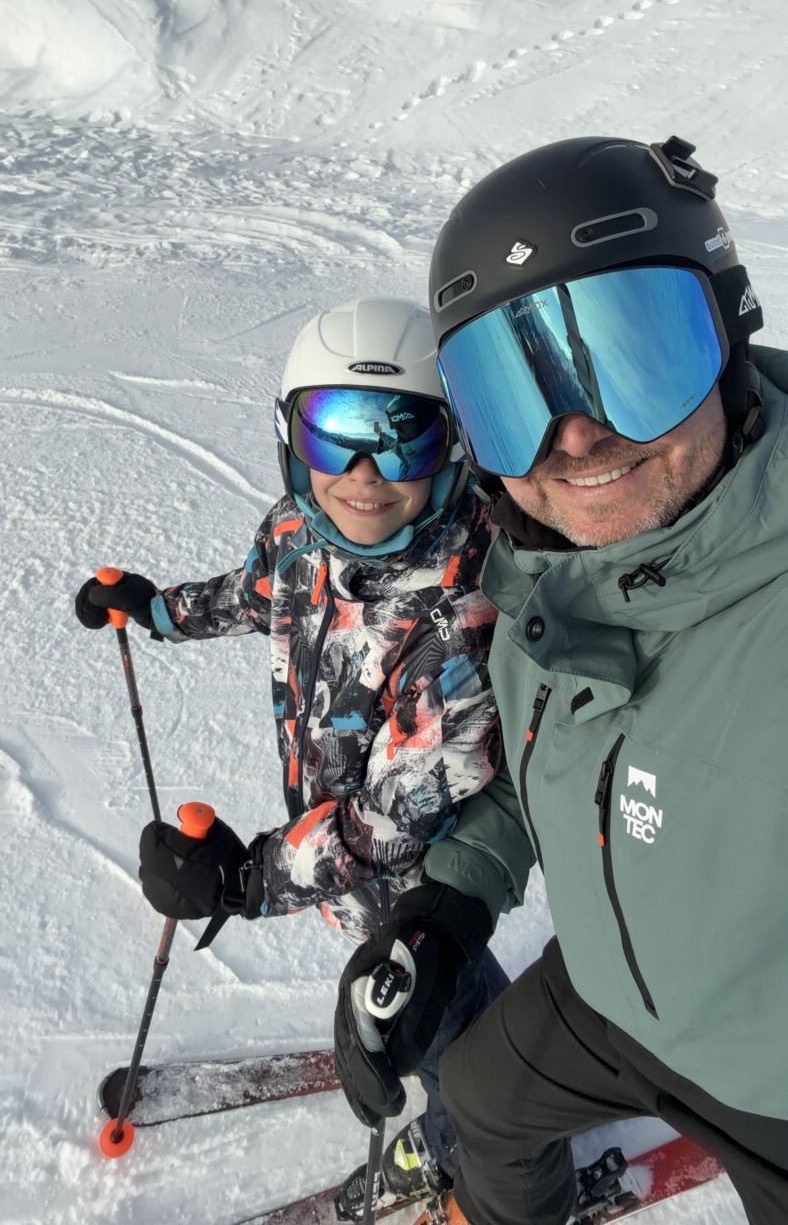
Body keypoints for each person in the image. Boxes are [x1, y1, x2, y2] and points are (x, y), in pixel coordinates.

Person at [332, 137, 788, 1225]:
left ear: (725, 334)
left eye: (630, 359)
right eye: (513, 391)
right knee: (480, 1102)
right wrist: (448, 904)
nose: (574, 436)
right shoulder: (545, 575)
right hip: (610, 1001)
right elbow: (566, 757)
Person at [74, 297, 508, 1219]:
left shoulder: (463, 614)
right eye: (332, 433)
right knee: (429, 1002)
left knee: (452, 1022)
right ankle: (476, 1062)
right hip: (342, 874)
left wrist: (246, 879)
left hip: (430, 895)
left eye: (403, 437)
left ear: (453, 446)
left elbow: (390, 821)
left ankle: (482, 1151)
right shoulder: (297, 528)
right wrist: (158, 612)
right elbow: (258, 590)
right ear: (290, 438)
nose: (363, 474)